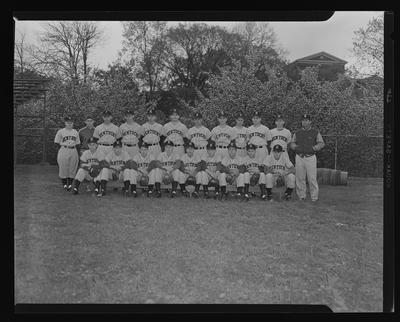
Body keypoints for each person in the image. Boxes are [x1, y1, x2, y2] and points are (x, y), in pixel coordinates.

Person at [290, 113, 325, 202]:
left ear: (310, 121)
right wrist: (295, 147)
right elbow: (292, 143)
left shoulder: (315, 132)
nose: (304, 122)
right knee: (300, 177)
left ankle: (314, 197)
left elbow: (321, 143)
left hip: (310, 157)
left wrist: (314, 148)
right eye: (303, 121)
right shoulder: (297, 132)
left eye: (306, 120)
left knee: (312, 178)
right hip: (299, 157)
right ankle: (301, 196)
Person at [54, 116, 80, 191]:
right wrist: (62, 149)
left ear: (73, 123)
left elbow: (78, 143)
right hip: (64, 149)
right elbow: (56, 143)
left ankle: (70, 184)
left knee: (73, 167)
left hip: (73, 149)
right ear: (65, 123)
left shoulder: (75, 132)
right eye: (68, 122)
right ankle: (65, 184)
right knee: (63, 167)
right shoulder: (60, 131)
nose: (69, 124)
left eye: (71, 122)